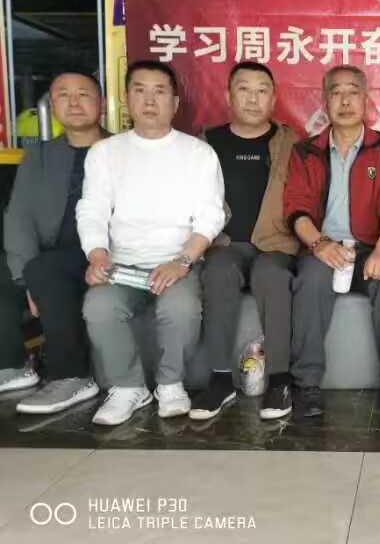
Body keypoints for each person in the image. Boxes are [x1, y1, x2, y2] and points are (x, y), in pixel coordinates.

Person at [79, 60, 225, 426]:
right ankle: (128, 388)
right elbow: (92, 209)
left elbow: (210, 216)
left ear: (175, 103)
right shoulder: (105, 152)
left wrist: (182, 261)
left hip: (177, 261)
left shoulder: (198, 153)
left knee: (180, 309)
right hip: (121, 264)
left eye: (159, 92)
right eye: (140, 90)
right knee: (99, 307)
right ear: (127, 99)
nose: (149, 100)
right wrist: (97, 254)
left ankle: (170, 384)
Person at [284, 64, 380, 417]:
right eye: (336, 92)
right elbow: (296, 207)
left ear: (366, 99)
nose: (345, 101)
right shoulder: (306, 151)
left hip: (374, 245)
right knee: (310, 280)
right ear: (324, 100)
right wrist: (319, 244)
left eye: (353, 92)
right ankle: (307, 383)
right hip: (324, 245)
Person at [189, 61, 300, 422]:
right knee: (218, 271)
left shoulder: (291, 144)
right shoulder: (206, 144)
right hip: (224, 245)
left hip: (276, 245)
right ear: (228, 96)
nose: (253, 99)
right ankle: (220, 379)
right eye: (244, 89)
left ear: (274, 99)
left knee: (272, 276)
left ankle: (280, 380)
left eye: (262, 91)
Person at [0, 71, 107, 414]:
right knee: (22, 269)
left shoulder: (121, 150)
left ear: (102, 103)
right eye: (63, 95)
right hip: (47, 253)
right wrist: (24, 277)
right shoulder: (41, 155)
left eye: (83, 94)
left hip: (100, 252)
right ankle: (12, 365)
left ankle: (72, 376)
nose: (74, 103)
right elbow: (19, 217)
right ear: (52, 105)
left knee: (45, 270)